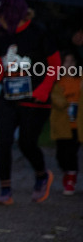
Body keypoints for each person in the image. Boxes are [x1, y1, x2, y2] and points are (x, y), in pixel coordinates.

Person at [0, 0, 60, 205]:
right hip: (9, 97)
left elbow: (55, 64)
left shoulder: (39, 32)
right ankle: (5, 189)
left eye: (0, 14)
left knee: (28, 143)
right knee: (2, 141)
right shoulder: (3, 34)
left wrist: (44, 90)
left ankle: (42, 175)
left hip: (35, 99)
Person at [50, 50, 80, 195]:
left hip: (77, 125)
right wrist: (64, 103)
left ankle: (71, 179)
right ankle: (67, 172)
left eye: (72, 62)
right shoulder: (57, 83)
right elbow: (55, 99)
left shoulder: (79, 81)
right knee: (61, 154)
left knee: (71, 152)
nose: (69, 65)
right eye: (66, 62)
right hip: (62, 124)